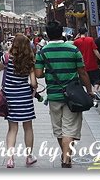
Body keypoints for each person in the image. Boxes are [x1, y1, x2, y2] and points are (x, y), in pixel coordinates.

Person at [35, 20, 94, 168]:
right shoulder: (73, 50)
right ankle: (66, 159)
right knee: (70, 128)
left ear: (47, 35)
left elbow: (38, 74)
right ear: (62, 32)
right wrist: (90, 90)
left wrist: (49, 71)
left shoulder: (42, 52)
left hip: (54, 95)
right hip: (73, 95)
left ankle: (65, 156)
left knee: (59, 130)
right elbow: (82, 72)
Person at [0, 33, 37, 168]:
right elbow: (33, 82)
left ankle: (10, 159)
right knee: (28, 127)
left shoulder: (6, 58)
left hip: (9, 97)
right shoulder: (30, 60)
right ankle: (29, 157)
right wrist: (34, 91)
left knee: (12, 129)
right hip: (24, 97)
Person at [73, 27, 100, 96]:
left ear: (79, 33)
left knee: (84, 81)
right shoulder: (90, 39)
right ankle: (95, 90)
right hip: (92, 64)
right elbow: (95, 50)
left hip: (82, 65)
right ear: (86, 32)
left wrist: (75, 39)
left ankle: (88, 92)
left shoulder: (76, 42)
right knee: (96, 79)